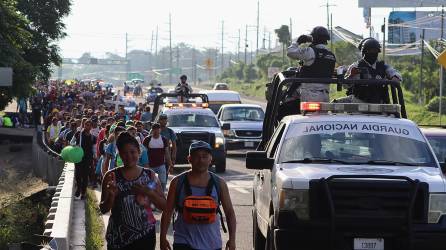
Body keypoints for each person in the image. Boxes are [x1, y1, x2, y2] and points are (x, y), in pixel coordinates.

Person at [160, 141, 237, 250]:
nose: (201, 160)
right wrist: (162, 238)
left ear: (211, 159)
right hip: (183, 242)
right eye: (196, 157)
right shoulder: (177, 182)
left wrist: (232, 239)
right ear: (189, 159)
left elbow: (229, 213)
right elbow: (167, 211)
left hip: (212, 244)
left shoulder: (219, 183)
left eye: (204, 157)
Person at [100, 132, 166, 250]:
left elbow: (164, 206)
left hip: (145, 236)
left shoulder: (149, 176)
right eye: (124, 153)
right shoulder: (111, 176)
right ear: (119, 155)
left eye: (132, 152)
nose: (129, 156)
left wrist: (149, 193)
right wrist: (111, 196)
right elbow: (103, 209)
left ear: (139, 152)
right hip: (118, 238)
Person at [336, 37, 402, 104]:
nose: (373, 53)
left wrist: (395, 77)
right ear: (364, 52)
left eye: (375, 51)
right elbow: (345, 86)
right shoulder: (355, 66)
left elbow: (394, 73)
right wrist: (351, 75)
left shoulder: (383, 66)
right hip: (359, 103)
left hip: (380, 105)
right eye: (370, 51)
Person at [287, 26, 336, 102]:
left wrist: (297, 42)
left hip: (311, 94)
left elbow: (290, 52)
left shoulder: (311, 51)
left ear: (314, 38)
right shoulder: (331, 56)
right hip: (325, 96)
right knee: (323, 114)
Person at [142, 123, 173, 192]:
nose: (156, 131)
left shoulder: (164, 140)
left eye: (157, 129)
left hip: (161, 165)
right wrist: (145, 165)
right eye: (154, 129)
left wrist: (170, 164)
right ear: (152, 130)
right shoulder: (147, 139)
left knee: (163, 182)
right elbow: (143, 153)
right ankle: (152, 196)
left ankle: (162, 196)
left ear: (160, 130)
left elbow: (167, 153)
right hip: (150, 166)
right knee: (151, 183)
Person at [70, 119, 97, 199]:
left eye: (89, 125)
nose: (87, 126)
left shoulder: (93, 137)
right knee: (78, 174)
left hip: (88, 159)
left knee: (85, 176)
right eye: (86, 125)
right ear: (83, 125)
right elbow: (71, 142)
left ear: (91, 127)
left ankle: (83, 192)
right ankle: (78, 189)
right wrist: (75, 145)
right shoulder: (78, 134)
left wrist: (95, 156)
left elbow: (94, 148)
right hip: (78, 157)